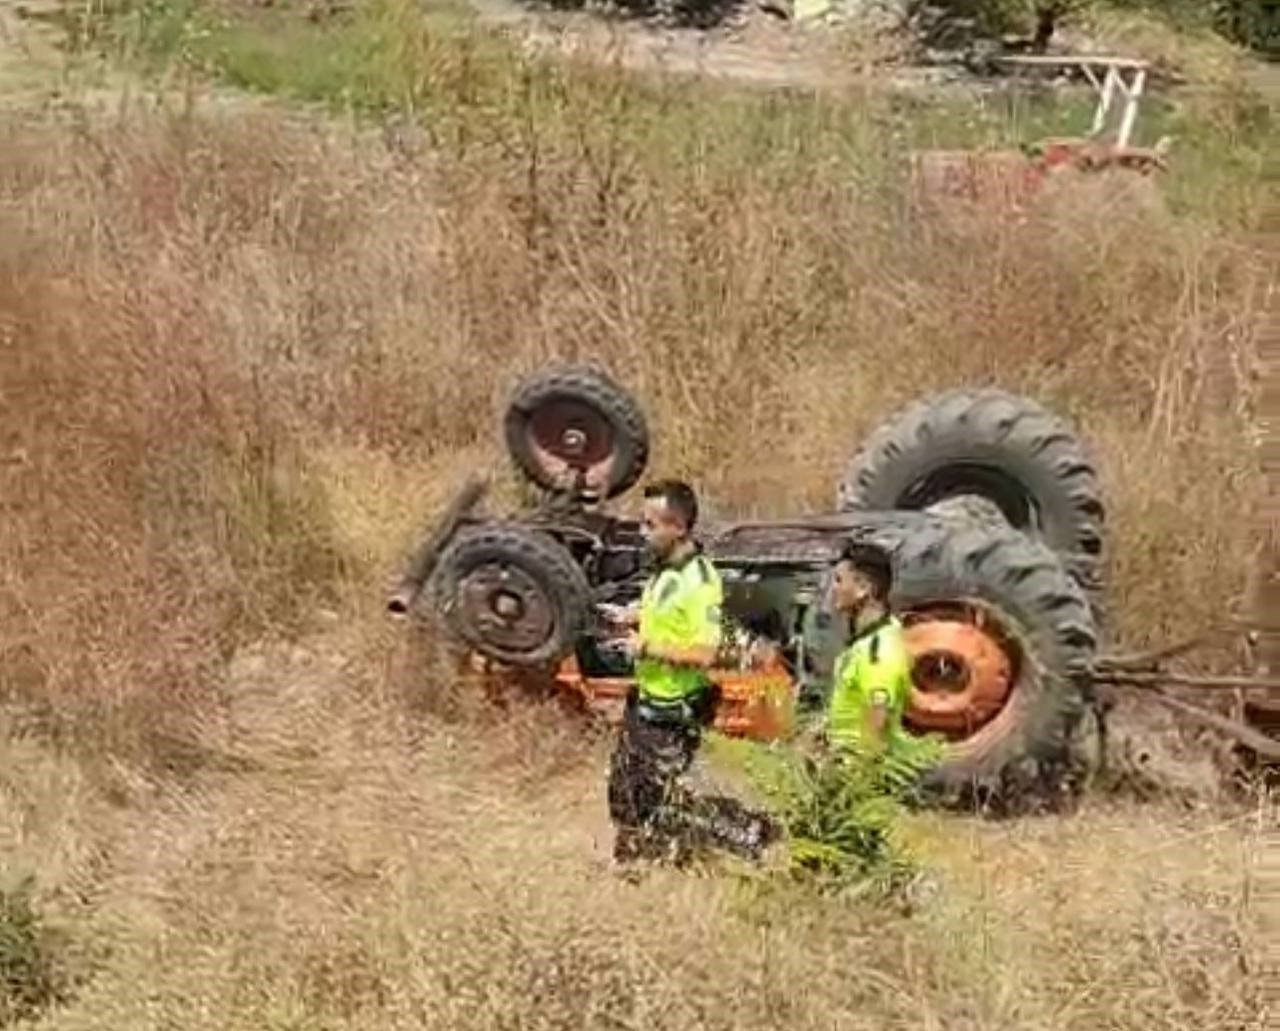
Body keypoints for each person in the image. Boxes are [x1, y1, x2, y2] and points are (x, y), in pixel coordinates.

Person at [604, 478, 774, 868]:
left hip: (672, 711)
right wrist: (633, 616)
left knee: (672, 800)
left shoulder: (699, 582)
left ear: (678, 528)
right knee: (625, 790)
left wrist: (644, 647)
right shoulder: (665, 570)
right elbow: (667, 615)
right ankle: (628, 864)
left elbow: (705, 652)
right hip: (646, 701)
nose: (643, 533)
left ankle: (749, 833)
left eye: (650, 525)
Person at [824, 540, 917, 762]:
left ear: (863, 589)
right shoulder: (862, 642)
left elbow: (875, 732)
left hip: (854, 780)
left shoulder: (879, 650)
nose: (833, 589)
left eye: (839, 581)